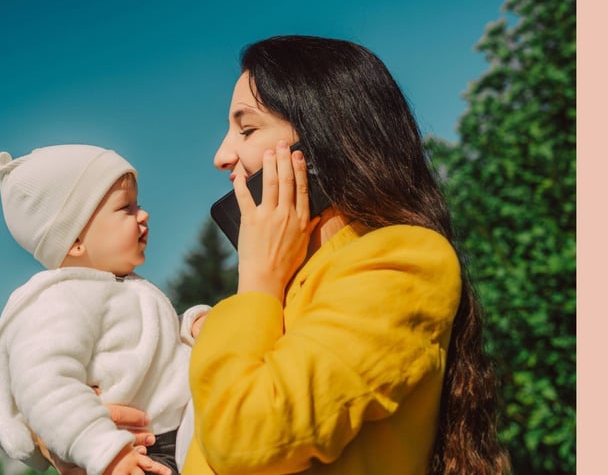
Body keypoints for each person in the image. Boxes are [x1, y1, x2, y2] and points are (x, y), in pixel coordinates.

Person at [180, 35, 510, 474]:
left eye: (248, 129)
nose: (222, 156)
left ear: (321, 144)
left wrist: (255, 279)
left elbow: (246, 438)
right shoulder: (276, 291)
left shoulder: (404, 260)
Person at [0, 144, 210, 475]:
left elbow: (154, 347)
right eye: (126, 208)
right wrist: (106, 452)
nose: (143, 215)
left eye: (138, 205)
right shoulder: (58, 299)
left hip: (172, 436)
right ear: (75, 241)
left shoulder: (126, 288)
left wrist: (190, 326)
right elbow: (46, 386)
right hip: (137, 451)